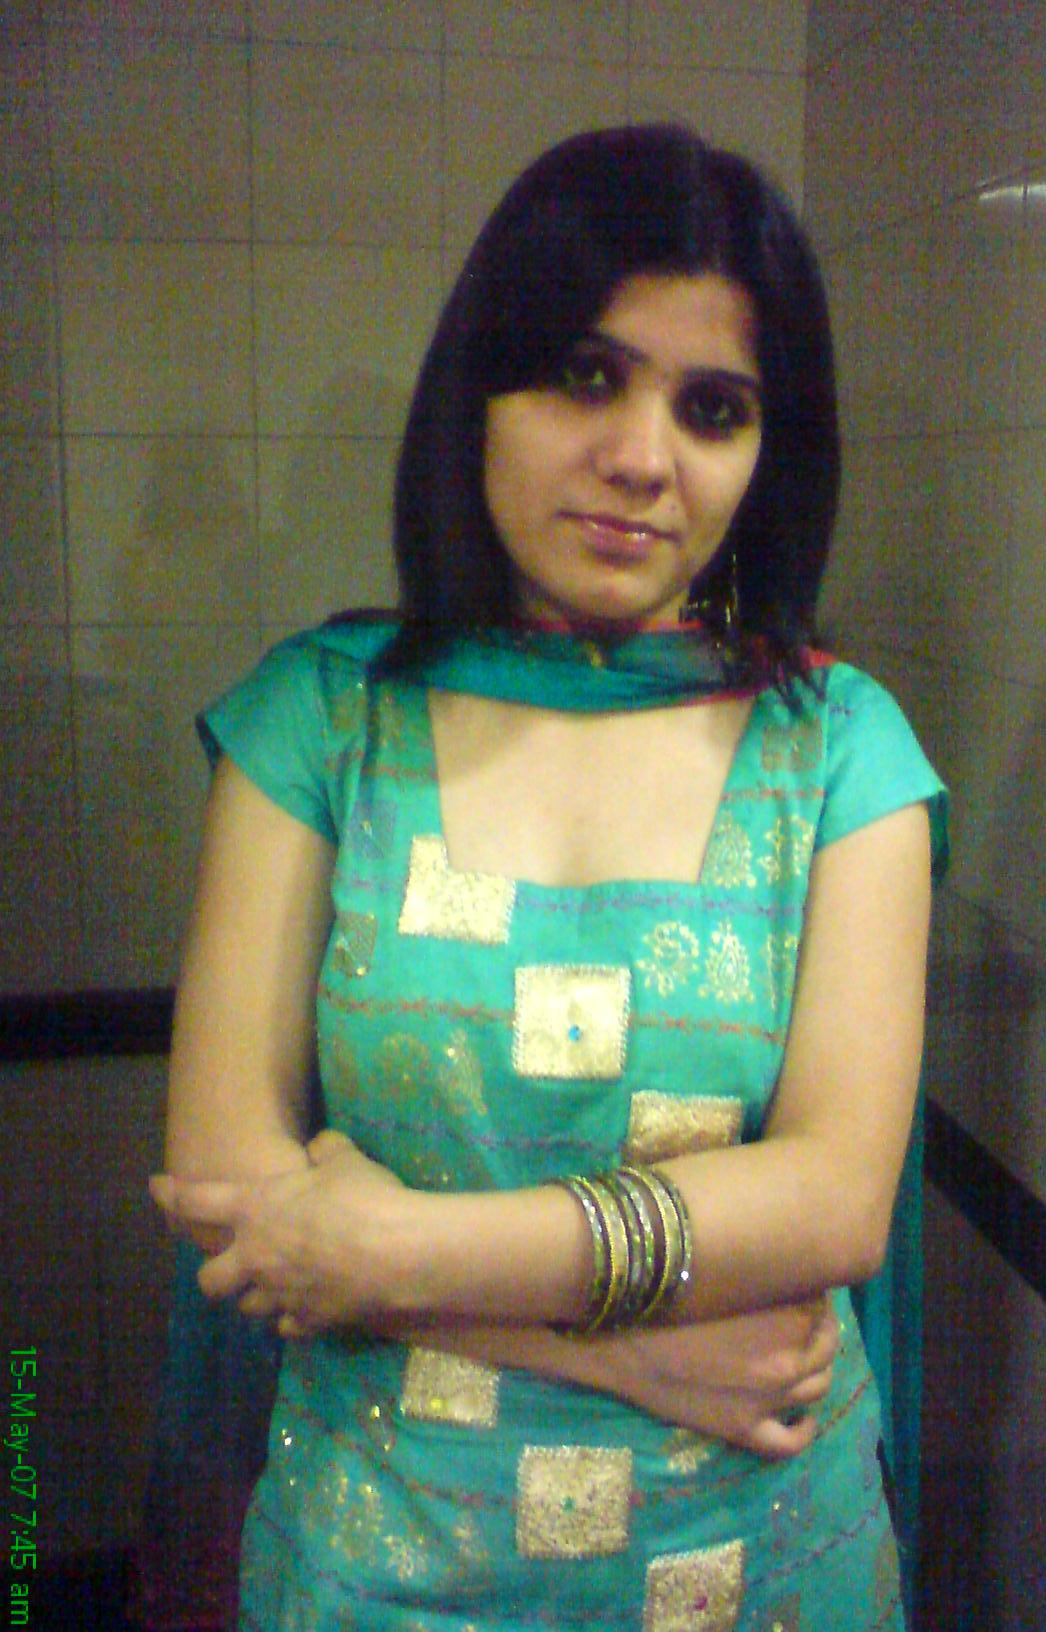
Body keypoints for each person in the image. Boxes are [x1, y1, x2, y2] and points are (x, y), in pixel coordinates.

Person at [149, 123, 946, 1632]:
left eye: (713, 408)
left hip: (765, 1565)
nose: (644, 457)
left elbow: (834, 1202)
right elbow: (228, 1177)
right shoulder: (322, 722)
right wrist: (641, 1355)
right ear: (481, 392)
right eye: (587, 375)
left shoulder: (840, 748)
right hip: (382, 1570)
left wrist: (393, 1252)